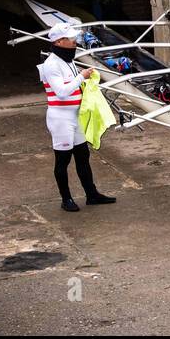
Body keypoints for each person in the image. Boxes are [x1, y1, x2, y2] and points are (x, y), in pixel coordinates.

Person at [37, 24, 116, 212]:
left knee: (83, 156)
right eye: (70, 39)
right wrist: (81, 76)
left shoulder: (68, 60)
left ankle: (92, 195)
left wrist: (86, 81)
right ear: (58, 41)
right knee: (63, 160)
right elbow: (62, 92)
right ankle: (66, 199)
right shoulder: (52, 64)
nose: (74, 42)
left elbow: (73, 85)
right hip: (60, 120)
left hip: (74, 116)